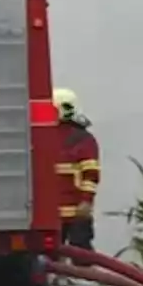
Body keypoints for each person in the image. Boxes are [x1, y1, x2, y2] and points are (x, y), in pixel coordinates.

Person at [52, 88, 100, 257]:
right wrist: (86, 201)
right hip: (69, 211)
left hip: (68, 212)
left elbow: (90, 173)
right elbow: (91, 174)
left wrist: (86, 201)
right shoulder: (84, 138)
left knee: (78, 255)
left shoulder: (80, 138)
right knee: (73, 255)